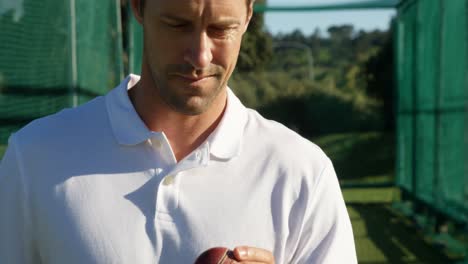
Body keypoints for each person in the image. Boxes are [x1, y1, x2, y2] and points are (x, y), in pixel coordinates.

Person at [0, 0, 357, 263]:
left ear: (248, 16)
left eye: (221, 29)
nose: (200, 56)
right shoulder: (34, 156)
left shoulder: (302, 171)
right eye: (177, 24)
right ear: (138, 7)